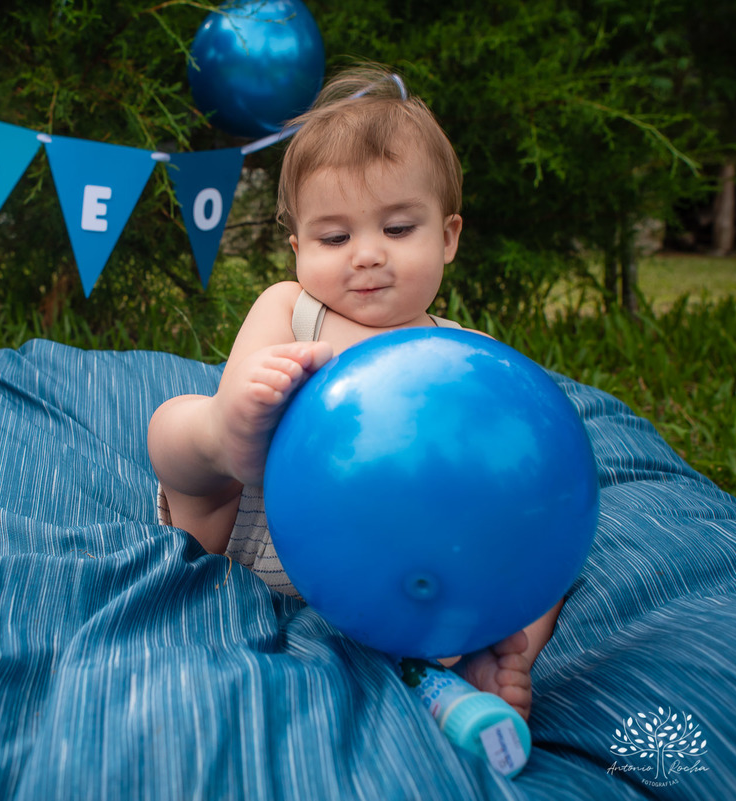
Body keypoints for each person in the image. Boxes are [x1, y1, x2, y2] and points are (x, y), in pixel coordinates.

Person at [148, 63, 561, 720]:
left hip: (394, 568)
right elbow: (250, 389)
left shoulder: (461, 355)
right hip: (253, 535)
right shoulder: (291, 308)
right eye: (335, 236)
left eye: (398, 228)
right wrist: (243, 419)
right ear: (297, 247)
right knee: (180, 424)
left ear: (448, 237)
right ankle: (222, 441)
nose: (366, 254)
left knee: (545, 540)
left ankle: (496, 648)